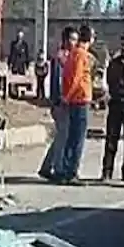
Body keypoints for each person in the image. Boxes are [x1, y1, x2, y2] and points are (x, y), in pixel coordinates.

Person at [38, 27, 78, 181]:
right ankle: (58, 168)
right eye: (72, 39)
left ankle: (46, 166)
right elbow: (57, 81)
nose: (74, 43)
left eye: (76, 40)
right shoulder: (60, 58)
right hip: (61, 103)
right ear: (65, 40)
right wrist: (58, 100)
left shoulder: (71, 57)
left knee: (61, 136)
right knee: (63, 136)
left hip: (67, 102)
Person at [58, 24, 94, 185]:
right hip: (79, 100)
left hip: (75, 99)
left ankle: (67, 169)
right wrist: (67, 96)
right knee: (77, 139)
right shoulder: (80, 54)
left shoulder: (74, 53)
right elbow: (76, 78)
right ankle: (71, 172)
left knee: (72, 137)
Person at [101, 34, 124, 182]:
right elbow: (110, 81)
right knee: (111, 140)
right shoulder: (114, 63)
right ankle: (107, 171)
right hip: (116, 104)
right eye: (123, 45)